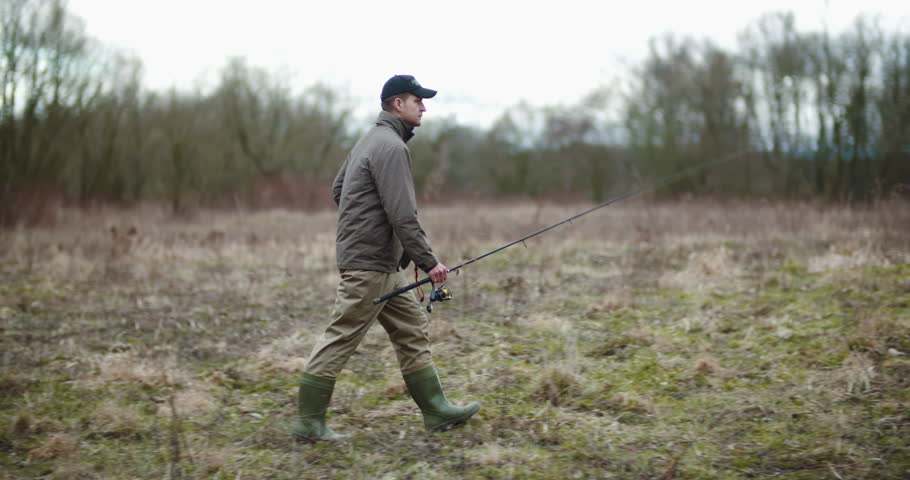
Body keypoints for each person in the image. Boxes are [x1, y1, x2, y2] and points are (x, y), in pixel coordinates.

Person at [293, 74, 480, 442]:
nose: (423, 107)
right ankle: (309, 423)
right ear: (398, 104)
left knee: (412, 329)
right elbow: (403, 214)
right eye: (417, 100)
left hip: (384, 267)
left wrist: (373, 229)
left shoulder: (368, 141)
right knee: (340, 337)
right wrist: (428, 262)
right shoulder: (392, 148)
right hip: (370, 266)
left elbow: (339, 191)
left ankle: (436, 410)